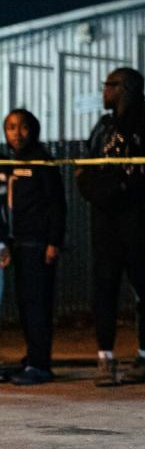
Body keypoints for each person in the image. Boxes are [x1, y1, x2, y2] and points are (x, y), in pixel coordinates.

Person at [77, 68, 145, 386]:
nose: (103, 91)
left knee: (143, 287)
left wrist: (131, 190)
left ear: (124, 88)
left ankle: (144, 358)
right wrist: (99, 189)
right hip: (105, 219)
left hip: (136, 218)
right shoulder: (104, 127)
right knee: (104, 286)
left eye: (109, 86)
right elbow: (85, 169)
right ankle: (106, 359)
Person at [0, 109, 66, 385]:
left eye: (23, 127)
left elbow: (57, 205)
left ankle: (41, 364)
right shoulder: (8, 163)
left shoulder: (42, 162)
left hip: (38, 244)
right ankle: (31, 359)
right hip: (16, 244)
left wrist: (54, 241)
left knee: (38, 306)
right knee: (25, 306)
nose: (17, 133)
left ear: (34, 129)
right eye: (11, 127)